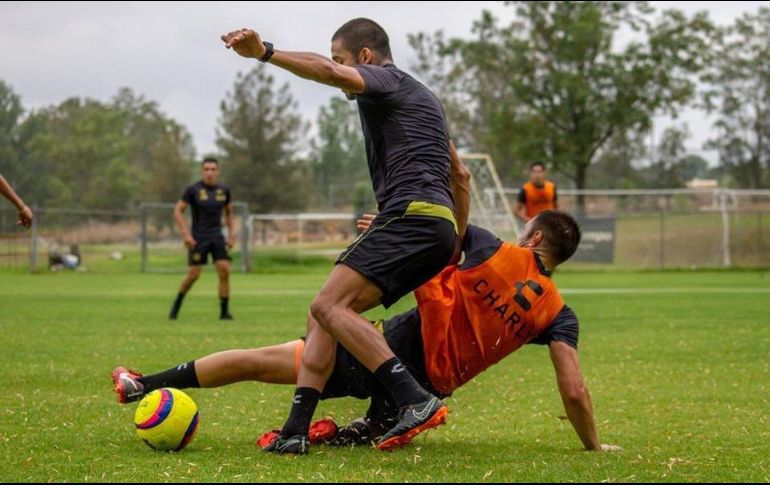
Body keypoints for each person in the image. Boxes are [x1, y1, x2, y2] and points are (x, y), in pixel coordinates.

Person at [112, 211, 621, 452]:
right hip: (430, 388)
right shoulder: (558, 313)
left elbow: (432, 235)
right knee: (345, 410)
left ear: (533, 236)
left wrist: (386, 224)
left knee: (272, 354)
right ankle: (362, 426)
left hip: (385, 351)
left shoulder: (492, 247)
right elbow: (574, 390)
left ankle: (144, 384)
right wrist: (594, 447)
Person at [221, 18, 466, 453]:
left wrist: (265, 53)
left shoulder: (386, 79)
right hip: (437, 225)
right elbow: (460, 176)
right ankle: (295, 431)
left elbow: (329, 73)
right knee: (326, 314)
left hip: (411, 215)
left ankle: (413, 399)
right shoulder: (426, 100)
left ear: (365, 57)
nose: (338, 70)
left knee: (328, 305)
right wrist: (454, 242)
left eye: (342, 58)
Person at [169, 158, 235, 321]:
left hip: (217, 237)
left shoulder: (224, 191)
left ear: (218, 172)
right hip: (198, 238)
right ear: (202, 171)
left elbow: (229, 213)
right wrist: (186, 234)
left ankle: (224, 313)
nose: (210, 172)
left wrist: (231, 235)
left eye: (213, 169)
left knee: (225, 271)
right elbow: (178, 211)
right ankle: (176, 306)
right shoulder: (193, 190)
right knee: (193, 275)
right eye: (206, 169)